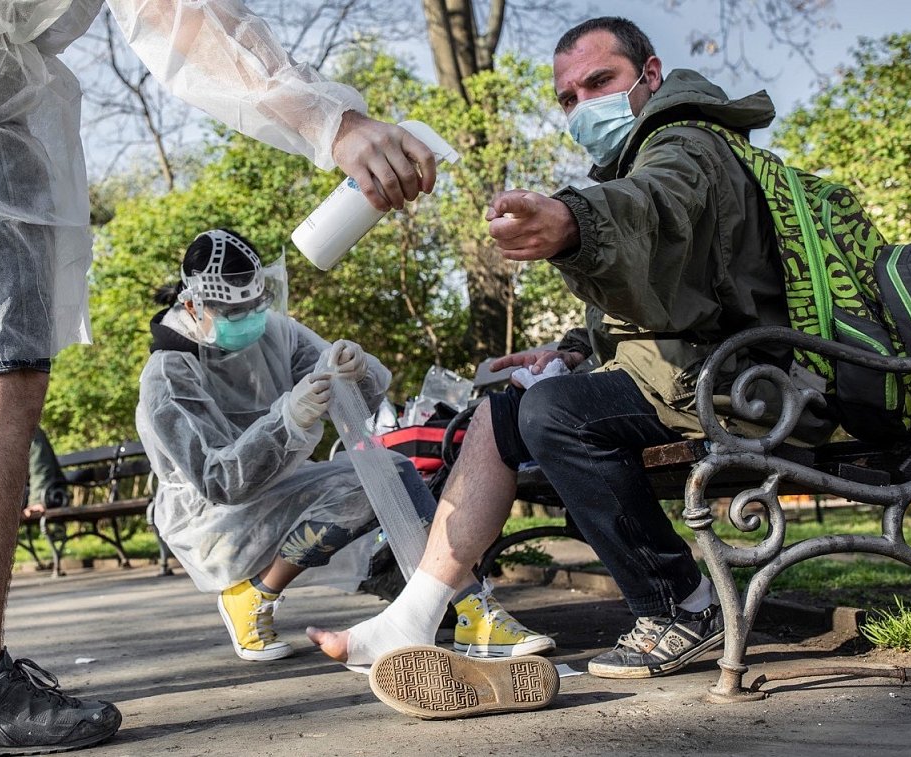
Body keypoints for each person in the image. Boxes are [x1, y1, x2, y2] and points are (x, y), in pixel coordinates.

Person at [0, 2, 441, 754]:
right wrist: (335, 124)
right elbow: (179, 14)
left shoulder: (274, 331)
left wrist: (337, 375)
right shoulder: (167, 373)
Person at [309, 16, 836, 717]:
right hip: (697, 373)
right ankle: (415, 613)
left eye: (600, 82)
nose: (583, 104)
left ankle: (683, 603)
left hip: (747, 382)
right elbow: (669, 299)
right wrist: (573, 352)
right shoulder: (641, 155)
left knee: (551, 412)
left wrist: (573, 221)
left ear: (648, 77)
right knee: (500, 411)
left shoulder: (686, 144)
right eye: (567, 96)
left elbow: (655, 212)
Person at [136, 228, 553, 665]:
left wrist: (356, 371)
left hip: (280, 479)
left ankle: (469, 608)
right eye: (233, 311)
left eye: (254, 307)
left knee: (390, 471)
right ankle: (256, 595)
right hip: (212, 518)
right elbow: (220, 482)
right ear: (190, 306)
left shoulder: (274, 331)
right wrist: (287, 421)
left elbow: (359, 399)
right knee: (379, 478)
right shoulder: (168, 377)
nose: (248, 319)